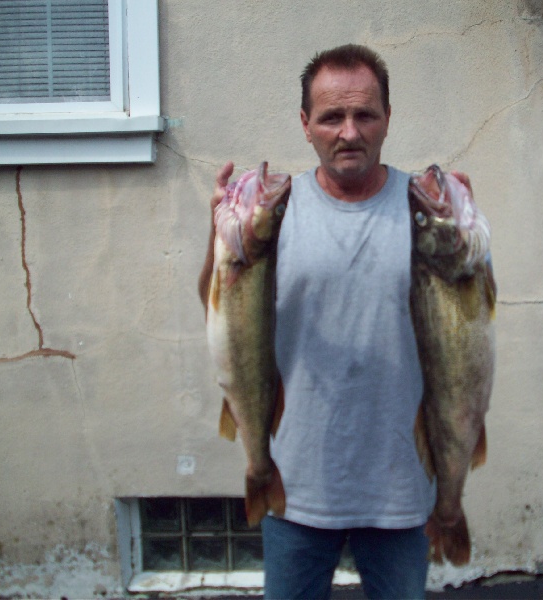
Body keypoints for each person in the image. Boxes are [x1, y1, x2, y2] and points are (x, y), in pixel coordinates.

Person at [200, 44, 467, 599]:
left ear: (388, 119)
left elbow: (466, 322)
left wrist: (465, 230)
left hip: (401, 487)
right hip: (293, 483)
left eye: (365, 114)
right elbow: (220, 305)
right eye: (331, 117)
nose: (349, 132)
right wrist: (219, 236)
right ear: (305, 124)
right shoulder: (274, 212)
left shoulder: (425, 209)